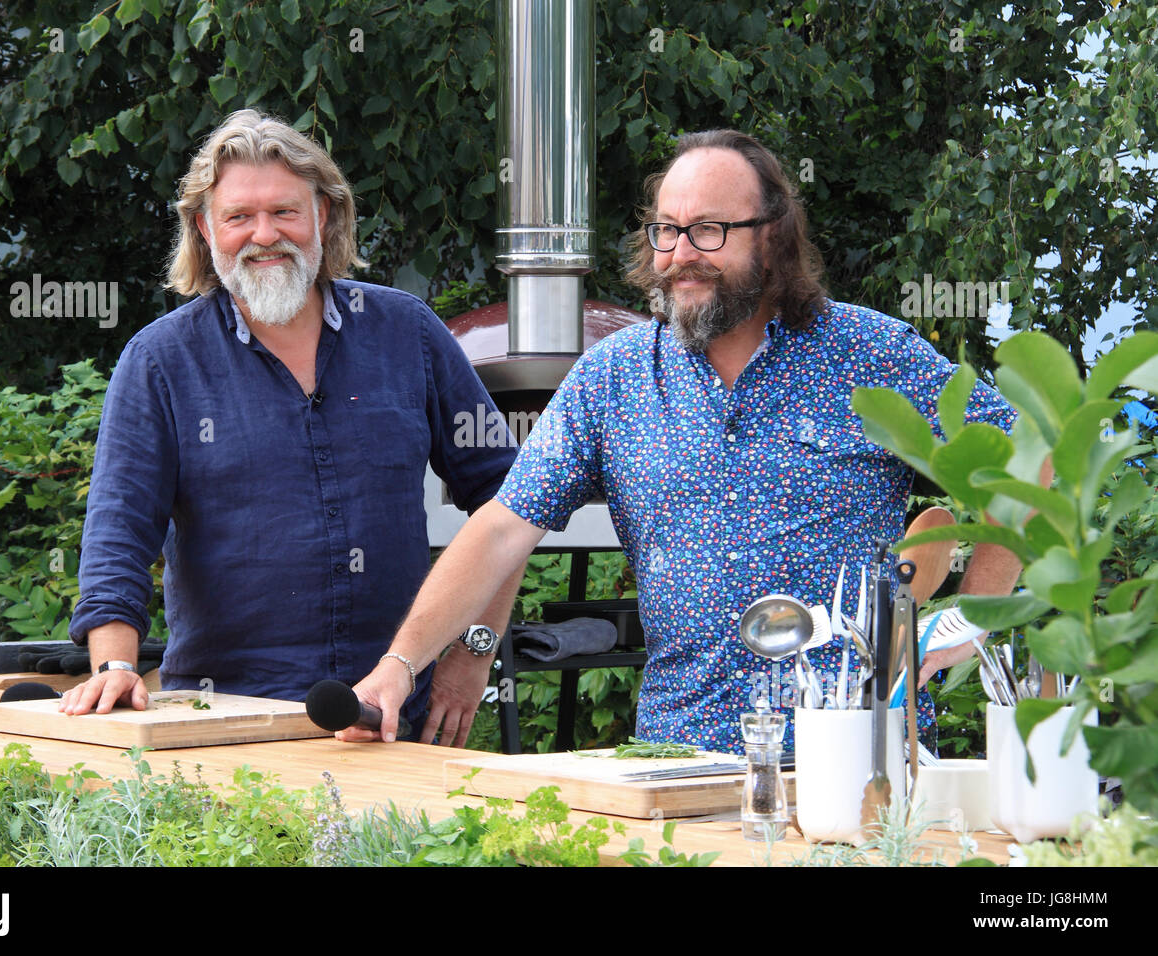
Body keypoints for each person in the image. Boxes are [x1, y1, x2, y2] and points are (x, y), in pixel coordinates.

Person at [345, 129, 1028, 752]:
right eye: (666, 231)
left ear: (773, 236)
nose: (679, 256)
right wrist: (400, 666)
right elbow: (500, 528)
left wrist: (977, 616)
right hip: (680, 760)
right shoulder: (614, 378)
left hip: (861, 755)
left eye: (708, 231)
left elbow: (1026, 461)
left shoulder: (870, 355)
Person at [59, 109, 522, 747]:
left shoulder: (408, 334)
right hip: (222, 725)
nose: (264, 235)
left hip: (391, 715)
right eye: (239, 217)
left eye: (285, 212)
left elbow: (510, 507)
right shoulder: (160, 361)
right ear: (204, 227)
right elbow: (117, 533)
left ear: (323, 217)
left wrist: (470, 655)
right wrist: (113, 666)